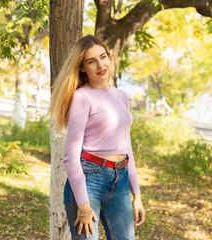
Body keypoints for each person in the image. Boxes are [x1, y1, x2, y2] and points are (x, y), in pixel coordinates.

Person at [49, 34, 145, 239]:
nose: (100, 64)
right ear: (82, 67)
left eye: (103, 57)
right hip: (88, 180)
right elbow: (71, 156)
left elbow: (127, 149)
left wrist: (136, 194)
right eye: (91, 61)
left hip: (119, 182)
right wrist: (83, 205)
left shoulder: (121, 96)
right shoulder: (82, 97)